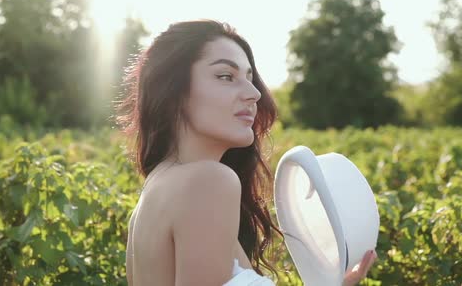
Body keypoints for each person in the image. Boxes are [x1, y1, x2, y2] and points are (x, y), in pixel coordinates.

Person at [115, 19, 378, 285]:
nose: (253, 93)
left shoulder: (154, 193)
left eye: (250, 78)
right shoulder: (209, 181)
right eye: (226, 76)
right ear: (172, 90)